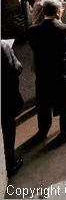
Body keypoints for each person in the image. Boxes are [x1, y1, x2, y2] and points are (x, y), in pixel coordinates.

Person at [27, 0, 66, 146]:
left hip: (43, 73)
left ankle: (43, 131)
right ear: (57, 12)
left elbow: (35, 47)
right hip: (61, 73)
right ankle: (65, 133)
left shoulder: (33, 30)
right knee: (65, 104)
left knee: (43, 105)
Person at [1, 40, 24, 177]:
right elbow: (17, 68)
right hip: (5, 99)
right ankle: (10, 164)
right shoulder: (3, 47)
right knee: (8, 130)